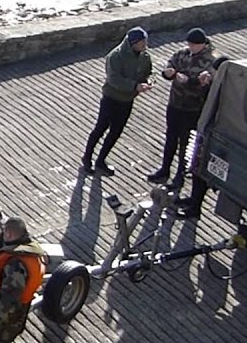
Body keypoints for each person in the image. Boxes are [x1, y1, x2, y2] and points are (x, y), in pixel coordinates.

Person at [149, 28, 218, 189]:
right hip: (175, 104)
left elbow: (208, 86)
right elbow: (169, 68)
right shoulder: (182, 53)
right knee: (171, 138)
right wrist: (169, 73)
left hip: (193, 108)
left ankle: (180, 174)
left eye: (195, 45)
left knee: (186, 144)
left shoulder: (211, 61)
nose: (191, 47)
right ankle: (164, 169)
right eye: (190, 44)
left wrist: (189, 81)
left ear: (203, 44)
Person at [82, 26, 153, 176]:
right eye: (142, 42)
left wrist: (147, 82)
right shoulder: (115, 56)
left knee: (116, 131)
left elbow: (147, 73)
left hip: (127, 100)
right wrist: (134, 86)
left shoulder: (144, 56)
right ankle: (87, 158)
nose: (145, 44)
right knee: (100, 129)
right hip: (111, 99)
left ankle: (101, 160)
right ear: (134, 43)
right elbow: (114, 79)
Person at [175, 55, 233, 219]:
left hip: (213, 135)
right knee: (196, 169)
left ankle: (195, 208)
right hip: (206, 131)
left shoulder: (224, 88)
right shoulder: (220, 85)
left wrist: (206, 86)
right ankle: (194, 200)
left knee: (201, 170)